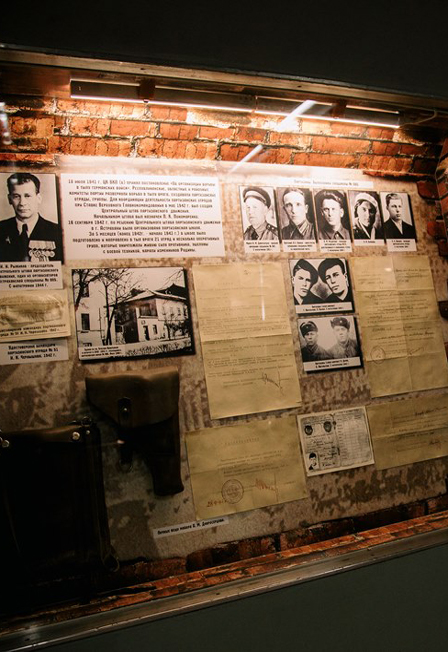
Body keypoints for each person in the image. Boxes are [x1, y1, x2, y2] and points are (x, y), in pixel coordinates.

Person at [0, 172, 62, 262]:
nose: (22, 203)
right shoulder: (2, 229)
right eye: (16, 196)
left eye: (27, 196)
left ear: (38, 198)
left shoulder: (57, 232)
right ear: (9, 199)